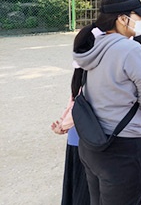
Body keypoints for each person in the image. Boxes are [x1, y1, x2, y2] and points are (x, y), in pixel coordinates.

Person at [72, 0, 141, 204]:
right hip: (122, 147)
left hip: (92, 142)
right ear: (123, 19)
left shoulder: (93, 45)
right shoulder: (130, 49)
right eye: (138, 17)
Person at [51, 67, 91, 205]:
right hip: (87, 139)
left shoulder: (80, 72)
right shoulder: (94, 74)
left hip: (75, 137)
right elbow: (76, 105)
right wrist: (62, 125)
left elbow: (72, 103)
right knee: (84, 189)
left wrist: (62, 123)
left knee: (75, 187)